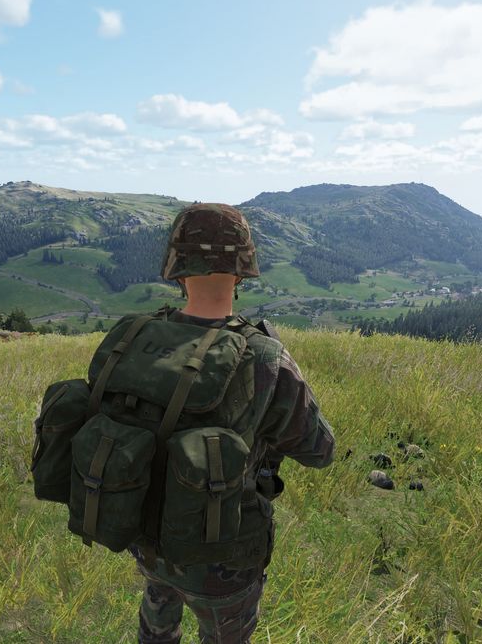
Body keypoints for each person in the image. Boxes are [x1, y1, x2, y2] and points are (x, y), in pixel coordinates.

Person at [130, 203, 336, 644]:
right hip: (225, 561)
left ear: (176, 268)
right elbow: (321, 451)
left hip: (150, 542)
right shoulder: (264, 357)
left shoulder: (138, 337)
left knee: (156, 626)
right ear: (242, 271)